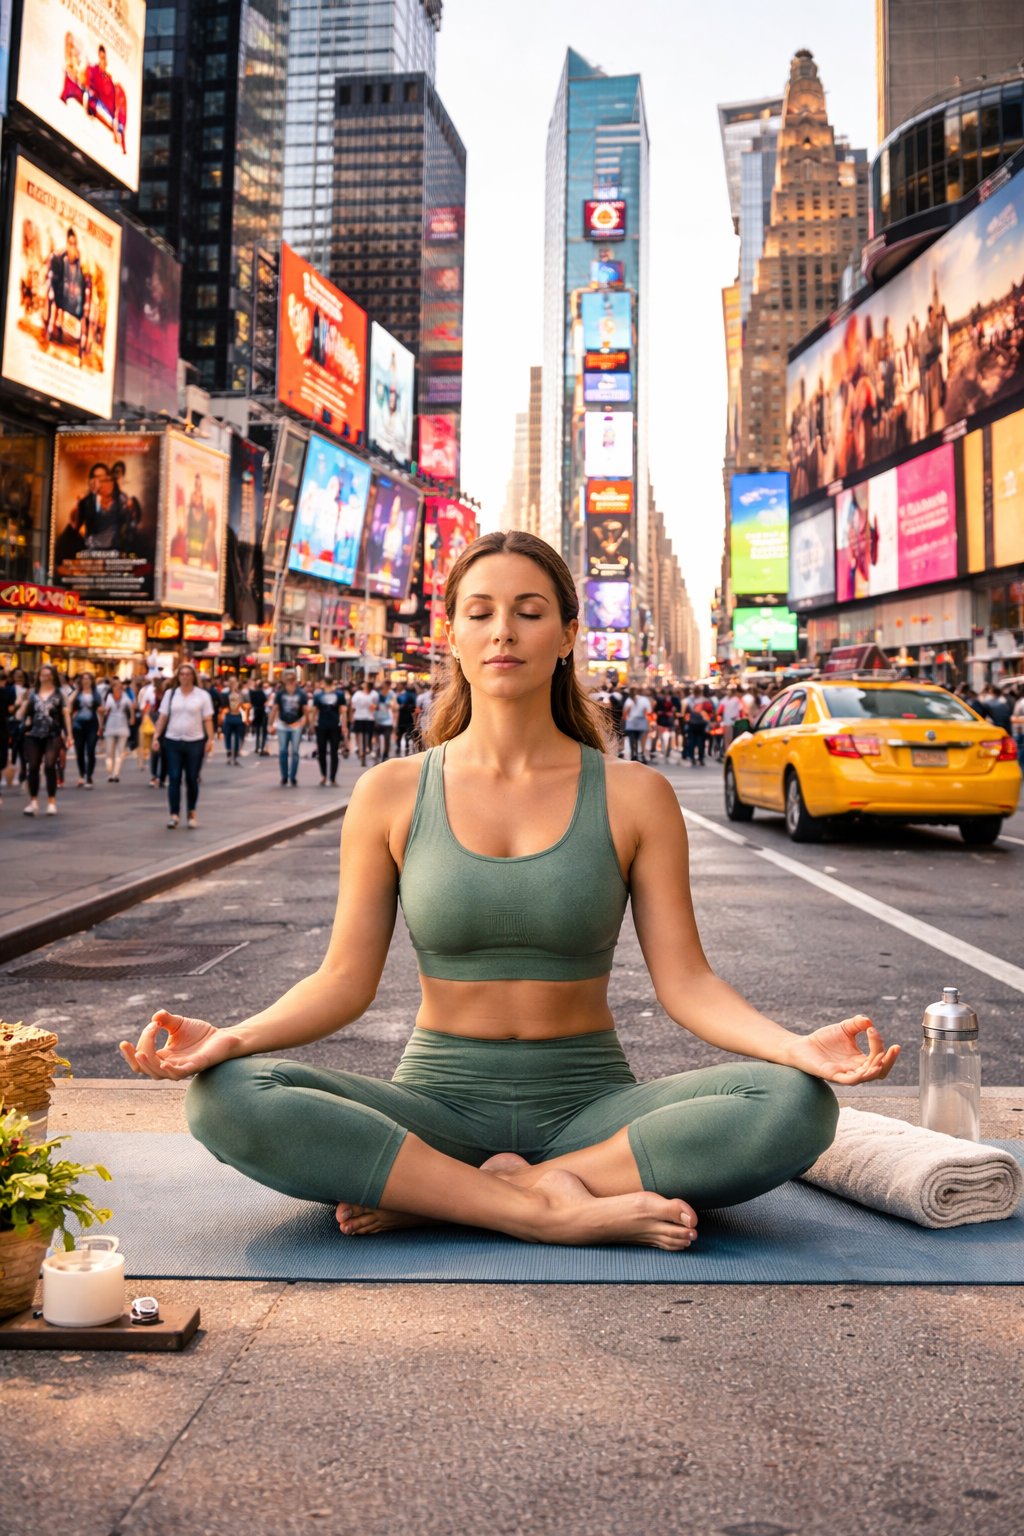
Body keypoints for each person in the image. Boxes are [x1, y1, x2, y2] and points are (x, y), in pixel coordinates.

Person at [122, 529, 897, 1252]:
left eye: (529, 613)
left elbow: (688, 983)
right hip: (434, 1106)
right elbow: (343, 981)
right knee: (225, 1095)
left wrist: (794, 1048)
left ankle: (444, 1196)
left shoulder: (635, 795)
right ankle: (541, 1208)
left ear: (566, 637)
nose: (503, 633)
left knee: (795, 1105)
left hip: (593, 1112)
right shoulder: (391, 791)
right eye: (481, 613)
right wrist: (236, 1038)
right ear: (451, 635)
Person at [154, 662, 215, 829]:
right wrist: (156, 736)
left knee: (192, 778)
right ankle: (174, 814)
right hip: (172, 740)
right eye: (182, 674)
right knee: (174, 777)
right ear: (178, 676)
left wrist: (210, 739)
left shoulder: (202, 695)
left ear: (193, 676)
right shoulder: (170, 694)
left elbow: (208, 719)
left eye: (188, 674)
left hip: (195, 741)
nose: (185, 677)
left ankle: (191, 811)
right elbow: (162, 717)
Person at [15, 664, 71, 817]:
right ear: (38, 676)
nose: (45, 677)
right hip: (33, 734)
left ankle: (51, 802)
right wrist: (23, 705)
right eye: (42, 674)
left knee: (49, 766)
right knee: (33, 767)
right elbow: (19, 714)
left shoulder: (60, 693)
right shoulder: (31, 692)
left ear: (53, 676)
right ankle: (33, 801)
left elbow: (66, 714)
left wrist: (69, 734)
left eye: (48, 674)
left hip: (53, 735)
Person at [69, 671, 101, 787]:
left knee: (91, 750)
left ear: (92, 681)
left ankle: (89, 776)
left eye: (88, 679)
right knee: (80, 751)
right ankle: (82, 774)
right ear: (81, 681)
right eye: (84, 679)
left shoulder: (96, 693)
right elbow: (69, 703)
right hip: (78, 725)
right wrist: (77, 690)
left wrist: (101, 726)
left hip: (92, 724)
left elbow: (101, 709)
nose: (86, 681)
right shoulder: (77, 693)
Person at [99, 677, 134, 782]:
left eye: (120, 687)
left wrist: (132, 717)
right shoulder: (109, 696)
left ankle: (116, 773)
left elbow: (132, 705)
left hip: (122, 725)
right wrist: (103, 717)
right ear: (113, 688)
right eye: (116, 687)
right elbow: (105, 710)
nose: (118, 689)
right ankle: (110, 773)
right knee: (110, 751)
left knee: (120, 751)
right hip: (111, 725)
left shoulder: (125, 696)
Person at [312, 680, 345, 786]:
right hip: (325, 725)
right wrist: (312, 724)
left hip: (331, 725)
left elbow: (343, 710)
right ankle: (328, 776)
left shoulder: (337, 694)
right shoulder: (320, 695)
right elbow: (315, 710)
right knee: (327, 752)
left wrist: (344, 725)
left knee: (329, 752)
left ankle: (329, 776)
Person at [350, 678, 379, 767]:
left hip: (361, 717)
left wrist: (352, 717)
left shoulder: (357, 695)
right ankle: (364, 748)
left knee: (361, 734)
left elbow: (353, 707)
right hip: (366, 717)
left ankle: (361, 749)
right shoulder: (366, 696)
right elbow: (371, 706)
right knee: (365, 734)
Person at [221, 683, 248, 766]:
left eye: (236, 700)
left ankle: (235, 755)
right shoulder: (226, 695)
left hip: (238, 717)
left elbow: (246, 706)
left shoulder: (242, 695)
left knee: (237, 737)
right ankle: (229, 754)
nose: (234, 703)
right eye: (232, 700)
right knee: (227, 736)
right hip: (229, 717)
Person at [623, 687, 651, 762]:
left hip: (631, 722)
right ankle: (641, 754)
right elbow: (648, 711)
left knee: (632, 739)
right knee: (642, 739)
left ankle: (633, 754)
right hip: (641, 721)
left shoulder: (629, 700)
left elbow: (625, 712)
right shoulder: (645, 700)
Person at [246, 677, 270, 756]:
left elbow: (251, 701)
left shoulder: (253, 693)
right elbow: (266, 702)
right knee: (263, 732)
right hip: (263, 712)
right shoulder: (264, 693)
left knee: (258, 731)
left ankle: (257, 747)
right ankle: (262, 747)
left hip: (256, 712)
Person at [374, 684, 397, 762]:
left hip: (388, 721)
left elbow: (395, 707)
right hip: (378, 719)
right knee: (377, 738)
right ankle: (377, 752)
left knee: (387, 738)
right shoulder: (377, 695)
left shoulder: (391, 695)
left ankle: (385, 754)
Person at [395, 683, 418, 757]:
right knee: (407, 735)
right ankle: (405, 746)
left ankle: (401, 745)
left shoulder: (402, 706)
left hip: (403, 723)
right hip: (408, 723)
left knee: (402, 735)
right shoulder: (413, 705)